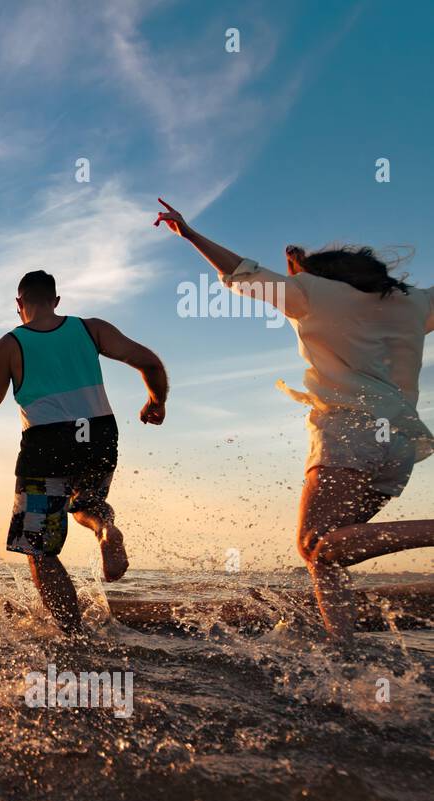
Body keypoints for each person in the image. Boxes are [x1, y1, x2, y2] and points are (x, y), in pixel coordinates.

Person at [154, 198, 434, 643]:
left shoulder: (310, 293)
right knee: (329, 551)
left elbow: (242, 273)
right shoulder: (415, 303)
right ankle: (343, 647)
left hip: (349, 433)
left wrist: (188, 233)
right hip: (400, 447)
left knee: (315, 545)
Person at [0, 270, 168, 635]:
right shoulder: (90, 329)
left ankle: (73, 635)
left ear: (19, 305)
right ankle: (105, 528)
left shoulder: (10, 344)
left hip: (46, 441)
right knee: (85, 502)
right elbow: (150, 363)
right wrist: (156, 402)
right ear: (56, 301)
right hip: (97, 433)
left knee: (41, 550)